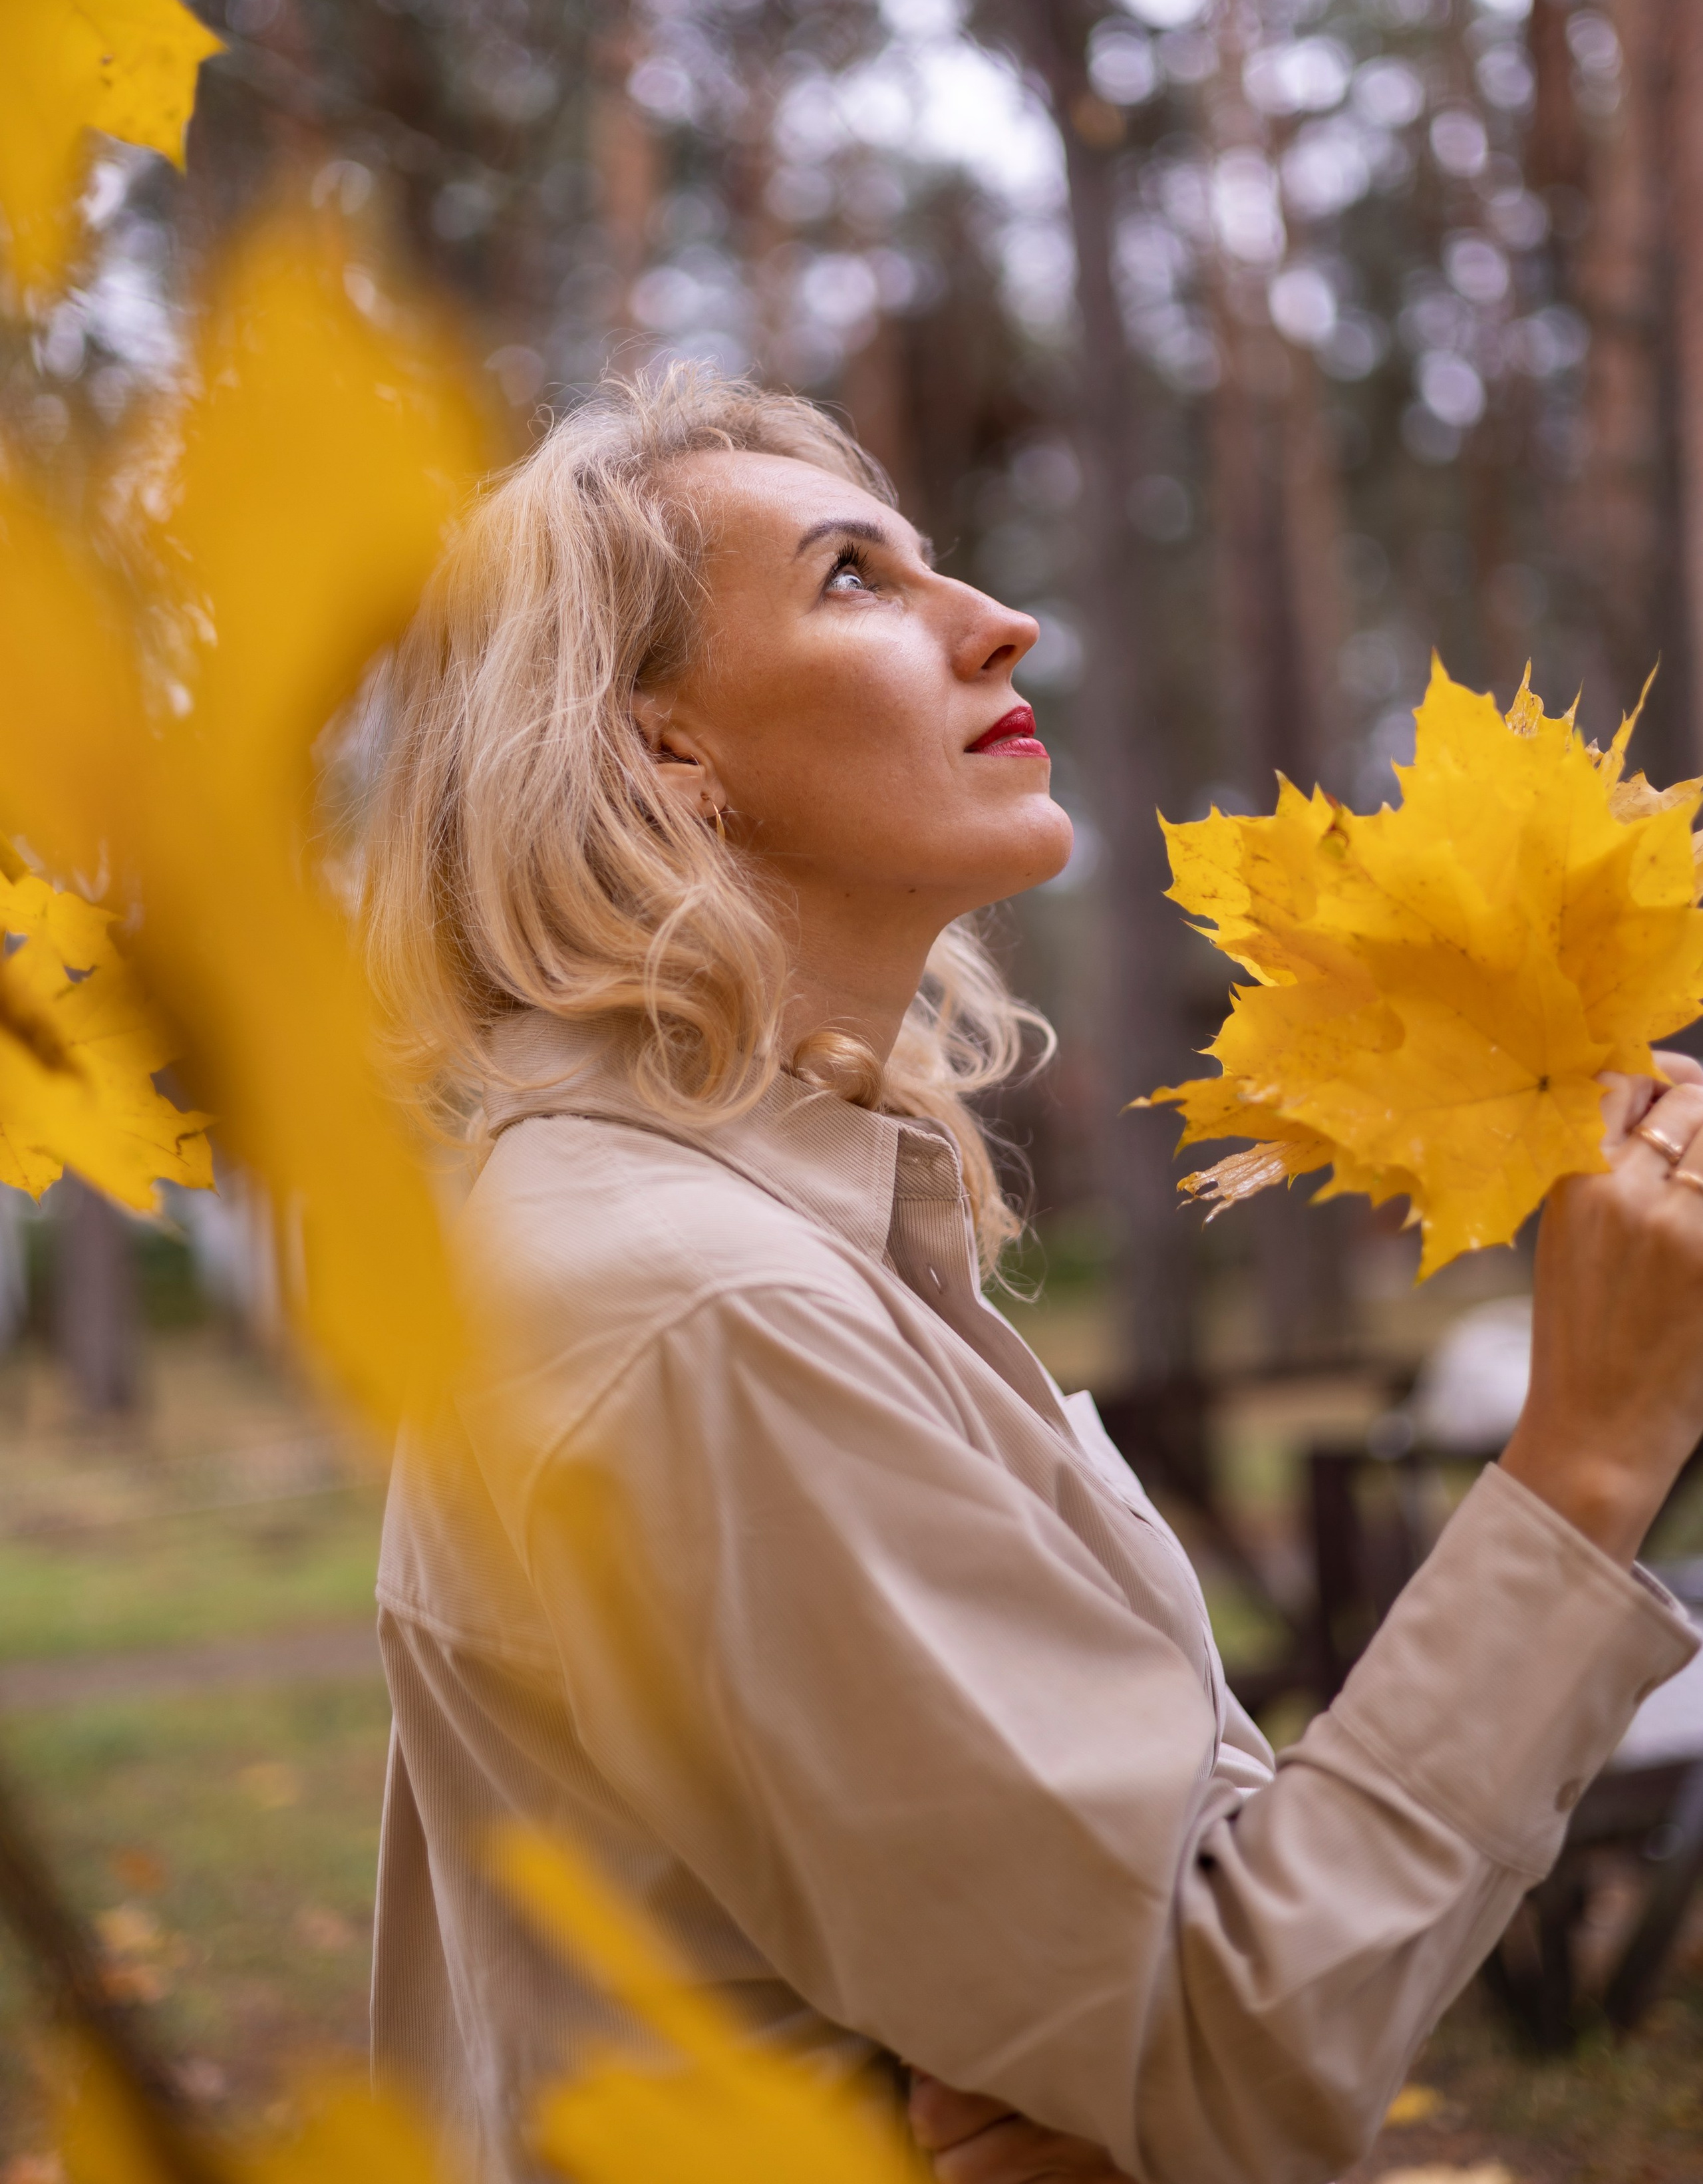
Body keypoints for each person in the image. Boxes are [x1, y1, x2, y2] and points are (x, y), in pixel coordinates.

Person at [365, 365, 1703, 2184]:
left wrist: (1123, 2055)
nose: (1000, 625)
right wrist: (1594, 1456)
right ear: (656, 749)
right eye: (855, 579)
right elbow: (1233, 2042)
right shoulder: (703, 1307)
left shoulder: (766, 1237)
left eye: (937, 568)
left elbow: (1181, 1934)